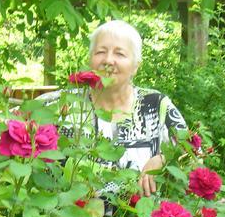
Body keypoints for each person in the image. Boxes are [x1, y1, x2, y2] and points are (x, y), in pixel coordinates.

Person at [39, 19, 188, 199]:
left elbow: (192, 153)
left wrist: (163, 160)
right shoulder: (59, 104)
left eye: (120, 54)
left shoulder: (155, 105)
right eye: (100, 52)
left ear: (136, 66)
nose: (108, 60)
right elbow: (6, 130)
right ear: (90, 59)